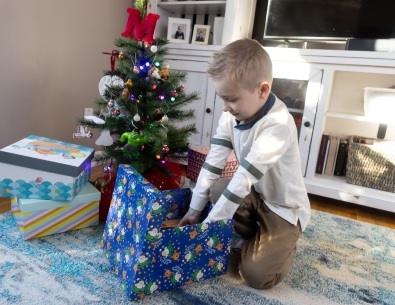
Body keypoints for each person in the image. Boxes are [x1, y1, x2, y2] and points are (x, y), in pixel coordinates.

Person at [179, 38, 311, 290]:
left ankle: (282, 244)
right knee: (218, 188)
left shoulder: (278, 125)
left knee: (256, 277)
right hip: (255, 196)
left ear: (262, 90)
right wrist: (195, 211)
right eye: (222, 99)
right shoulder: (231, 115)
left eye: (232, 99)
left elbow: (243, 179)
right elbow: (213, 163)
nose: (226, 107)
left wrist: (206, 231)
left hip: (283, 208)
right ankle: (255, 237)